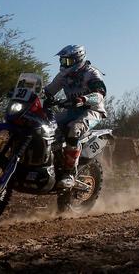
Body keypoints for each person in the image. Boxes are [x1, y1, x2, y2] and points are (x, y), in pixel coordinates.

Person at [43, 44, 107, 189]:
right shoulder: (63, 75)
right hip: (72, 111)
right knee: (46, 126)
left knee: (74, 129)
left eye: (68, 61)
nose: (64, 64)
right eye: (62, 61)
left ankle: (69, 174)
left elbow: (99, 94)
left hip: (92, 110)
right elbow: (48, 90)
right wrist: (27, 92)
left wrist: (84, 99)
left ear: (79, 59)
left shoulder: (91, 73)